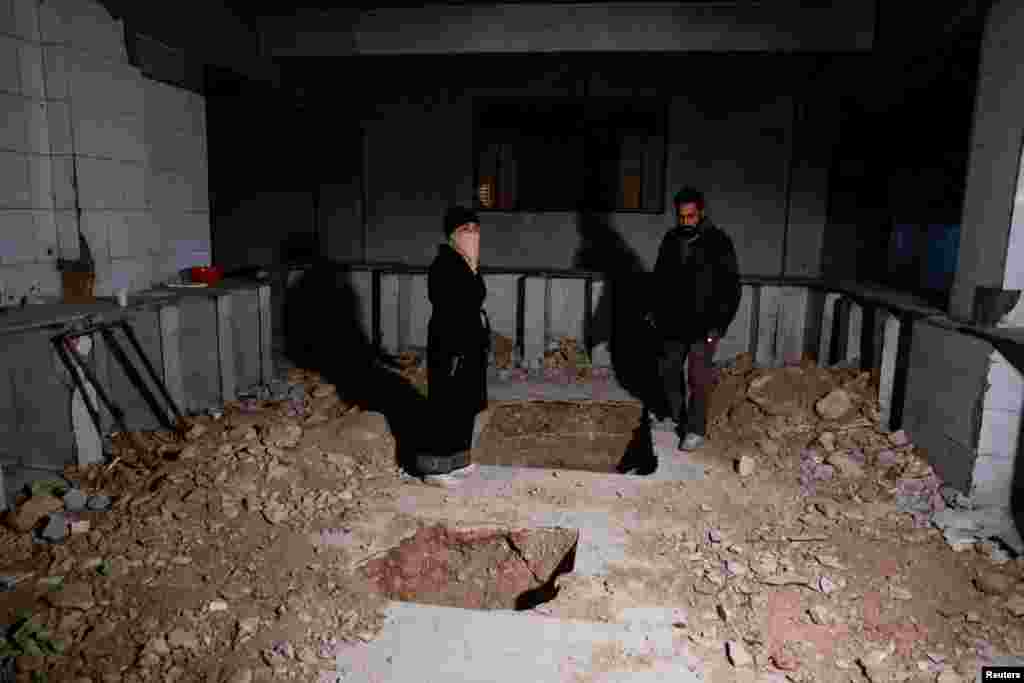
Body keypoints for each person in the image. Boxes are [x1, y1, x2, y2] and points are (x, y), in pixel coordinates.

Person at [650, 187, 741, 451]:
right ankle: (676, 417)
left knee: (698, 377)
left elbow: (731, 287)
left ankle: (695, 429)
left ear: (701, 212)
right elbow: (659, 279)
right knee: (668, 371)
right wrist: (655, 311)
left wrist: (719, 325)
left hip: (705, 324)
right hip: (673, 323)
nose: (686, 221)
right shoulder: (670, 239)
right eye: (681, 217)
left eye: (691, 216)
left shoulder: (719, 242)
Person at [417, 206, 491, 479]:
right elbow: (450, 306)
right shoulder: (445, 264)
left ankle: (457, 460)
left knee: (465, 402)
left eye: (475, 229)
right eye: (465, 230)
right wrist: (459, 345)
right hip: (450, 343)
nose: (472, 234)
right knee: (446, 403)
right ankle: (435, 467)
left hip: (469, 343)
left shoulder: (468, 263)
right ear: (452, 235)